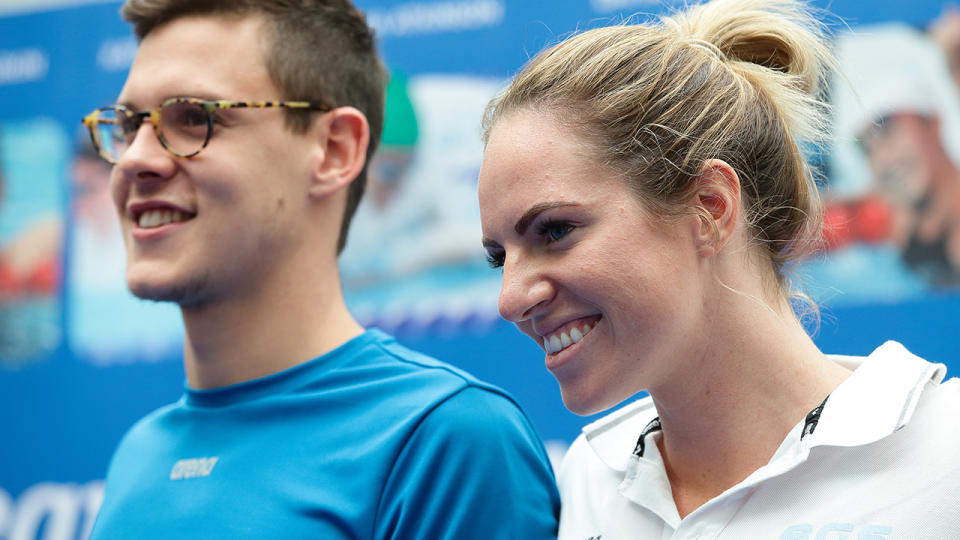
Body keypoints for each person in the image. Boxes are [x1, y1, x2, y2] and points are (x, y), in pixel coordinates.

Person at [477, 0, 960, 538]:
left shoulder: (945, 455)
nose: (510, 298)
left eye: (555, 231)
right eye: (498, 257)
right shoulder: (592, 478)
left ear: (710, 207)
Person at [82, 1, 559, 537]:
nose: (136, 160)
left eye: (194, 118)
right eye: (128, 124)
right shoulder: (139, 454)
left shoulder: (441, 440)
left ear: (334, 150)